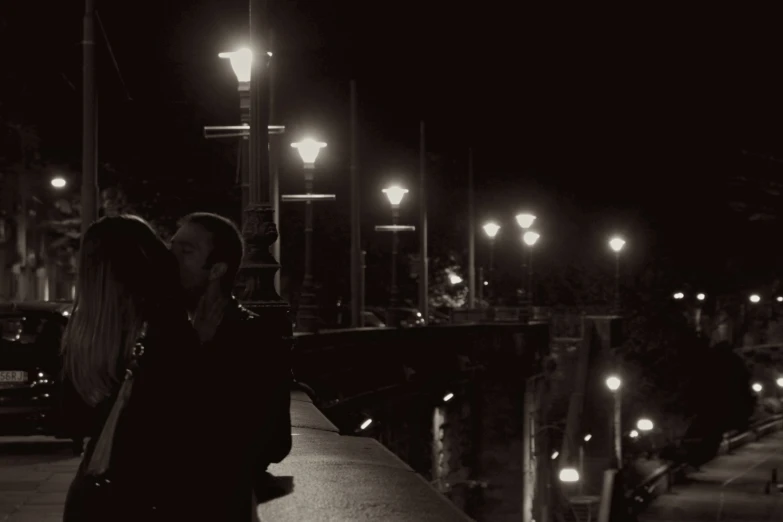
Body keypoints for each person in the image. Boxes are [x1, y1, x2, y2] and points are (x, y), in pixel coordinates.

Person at [60, 215, 207, 521]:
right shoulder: (166, 329)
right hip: (148, 500)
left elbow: (72, 420)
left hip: (93, 497)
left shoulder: (81, 336)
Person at [170, 212, 292, 520]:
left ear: (217, 270)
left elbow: (273, 441)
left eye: (185, 252)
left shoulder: (253, 338)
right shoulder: (173, 333)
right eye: (170, 249)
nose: (170, 261)